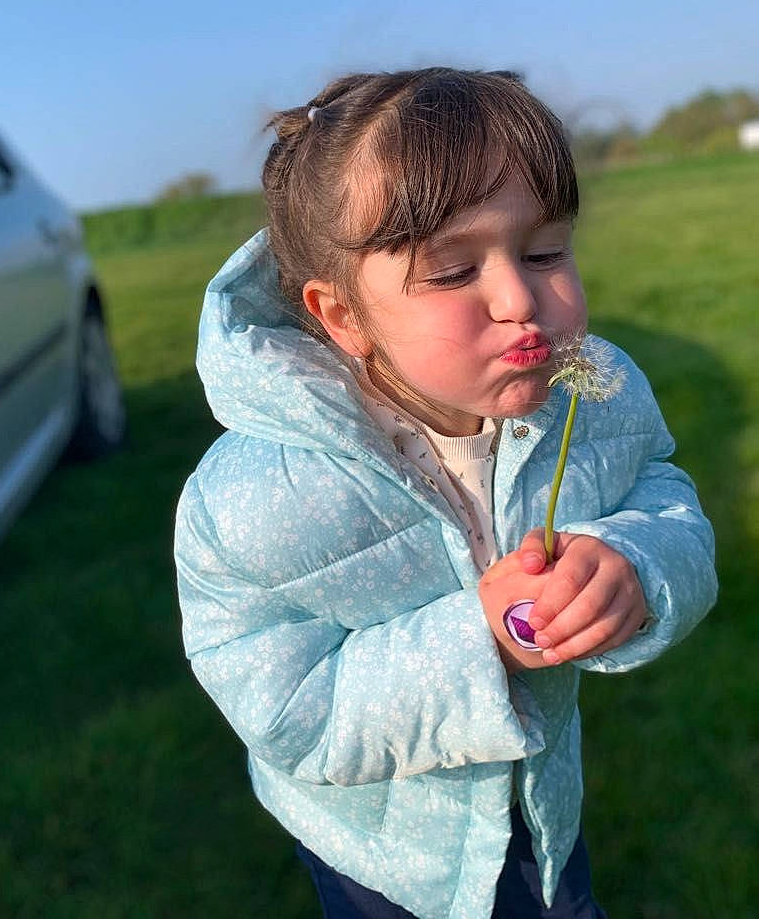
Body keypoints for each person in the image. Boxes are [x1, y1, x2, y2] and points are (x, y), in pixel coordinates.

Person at [174, 68, 716, 919]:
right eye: (455, 271)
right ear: (343, 316)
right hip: (385, 860)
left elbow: (664, 493)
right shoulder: (251, 503)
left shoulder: (591, 398)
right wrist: (483, 641)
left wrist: (635, 565)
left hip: (540, 810)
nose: (520, 299)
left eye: (545, 252)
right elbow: (288, 709)